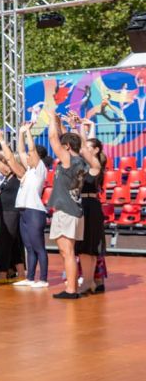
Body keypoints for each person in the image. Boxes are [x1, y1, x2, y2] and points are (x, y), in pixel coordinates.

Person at [45, 108, 90, 299]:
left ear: (68, 147)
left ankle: (71, 289)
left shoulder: (68, 159)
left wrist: (50, 119)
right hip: (74, 209)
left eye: (64, 146)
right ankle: (72, 287)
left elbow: (53, 139)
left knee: (67, 251)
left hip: (66, 210)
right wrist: (60, 123)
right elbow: (67, 139)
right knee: (67, 252)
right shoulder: (80, 160)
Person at [3, 123, 51, 288]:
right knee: (29, 248)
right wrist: (21, 133)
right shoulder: (29, 171)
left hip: (34, 211)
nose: (27, 158)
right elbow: (22, 151)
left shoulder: (40, 169)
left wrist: (29, 132)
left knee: (38, 247)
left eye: (31, 156)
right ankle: (30, 278)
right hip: (23, 211)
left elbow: (30, 150)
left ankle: (43, 279)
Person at [0, 129, 24, 282]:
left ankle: (2, 273)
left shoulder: (20, 173)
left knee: (5, 241)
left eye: (8, 162)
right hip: (4, 210)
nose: (5, 163)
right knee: (13, 243)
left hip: (12, 210)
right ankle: (20, 273)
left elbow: (9, 159)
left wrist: (2, 140)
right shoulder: (9, 174)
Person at [75, 125, 106, 295]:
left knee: (87, 248)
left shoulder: (96, 163)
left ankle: (87, 282)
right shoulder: (87, 165)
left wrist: (81, 128)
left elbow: (81, 147)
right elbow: (79, 147)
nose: (84, 149)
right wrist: (74, 127)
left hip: (89, 206)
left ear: (96, 150)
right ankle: (90, 281)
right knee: (89, 248)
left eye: (88, 147)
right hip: (88, 205)